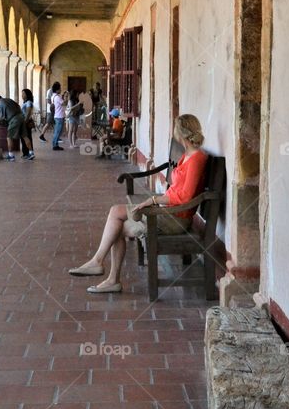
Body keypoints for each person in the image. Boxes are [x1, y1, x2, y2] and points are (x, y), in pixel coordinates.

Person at [68, 114, 208, 294]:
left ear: (180, 133)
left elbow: (186, 197)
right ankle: (110, 277)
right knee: (116, 226)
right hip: (167, 211)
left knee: (115, 215)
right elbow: (176, 187)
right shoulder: (187, 155)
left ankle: (99, 264)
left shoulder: (197, 158)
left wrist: (154, 200)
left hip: (176, 218)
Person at [0, 93, 24, 161]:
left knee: (9, 137)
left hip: (14, 119)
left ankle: (11, 155)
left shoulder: (0, 104)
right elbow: (18, 106)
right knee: (25, 135)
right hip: (21, 116)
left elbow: (1, 118)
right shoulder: (8, 99)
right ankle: (31, 152)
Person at [19, 88, 36, 160]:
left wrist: (25, 122)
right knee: (24, 138)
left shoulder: (28, 102)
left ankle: (30, 153)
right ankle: (25, 153)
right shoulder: (25, 102)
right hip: (24, 121)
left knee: (27, 137)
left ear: (27, 94)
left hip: (26, 122)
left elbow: (28, 112)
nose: (22, 95)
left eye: (23, 93)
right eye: (22, 93)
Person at [51, 82, 65, 150]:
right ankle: (55, 144)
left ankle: (55, 144)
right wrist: (66, 97)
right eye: (60, 88)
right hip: (59, 116)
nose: (60, 90)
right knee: (58, 131)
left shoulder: (53, 96)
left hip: (57, 115)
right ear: (57, 90)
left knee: (57, 131)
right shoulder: (57, 97)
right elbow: (64, 103)